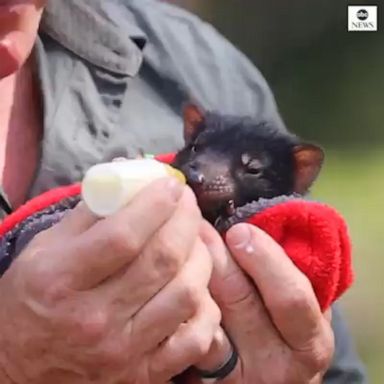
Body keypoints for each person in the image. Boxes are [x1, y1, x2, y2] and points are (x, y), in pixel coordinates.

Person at [0, 0, 367, 382]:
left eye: (251, 169)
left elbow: (335, 370)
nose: (201, 174)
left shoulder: (202, 66)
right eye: (199, 151)